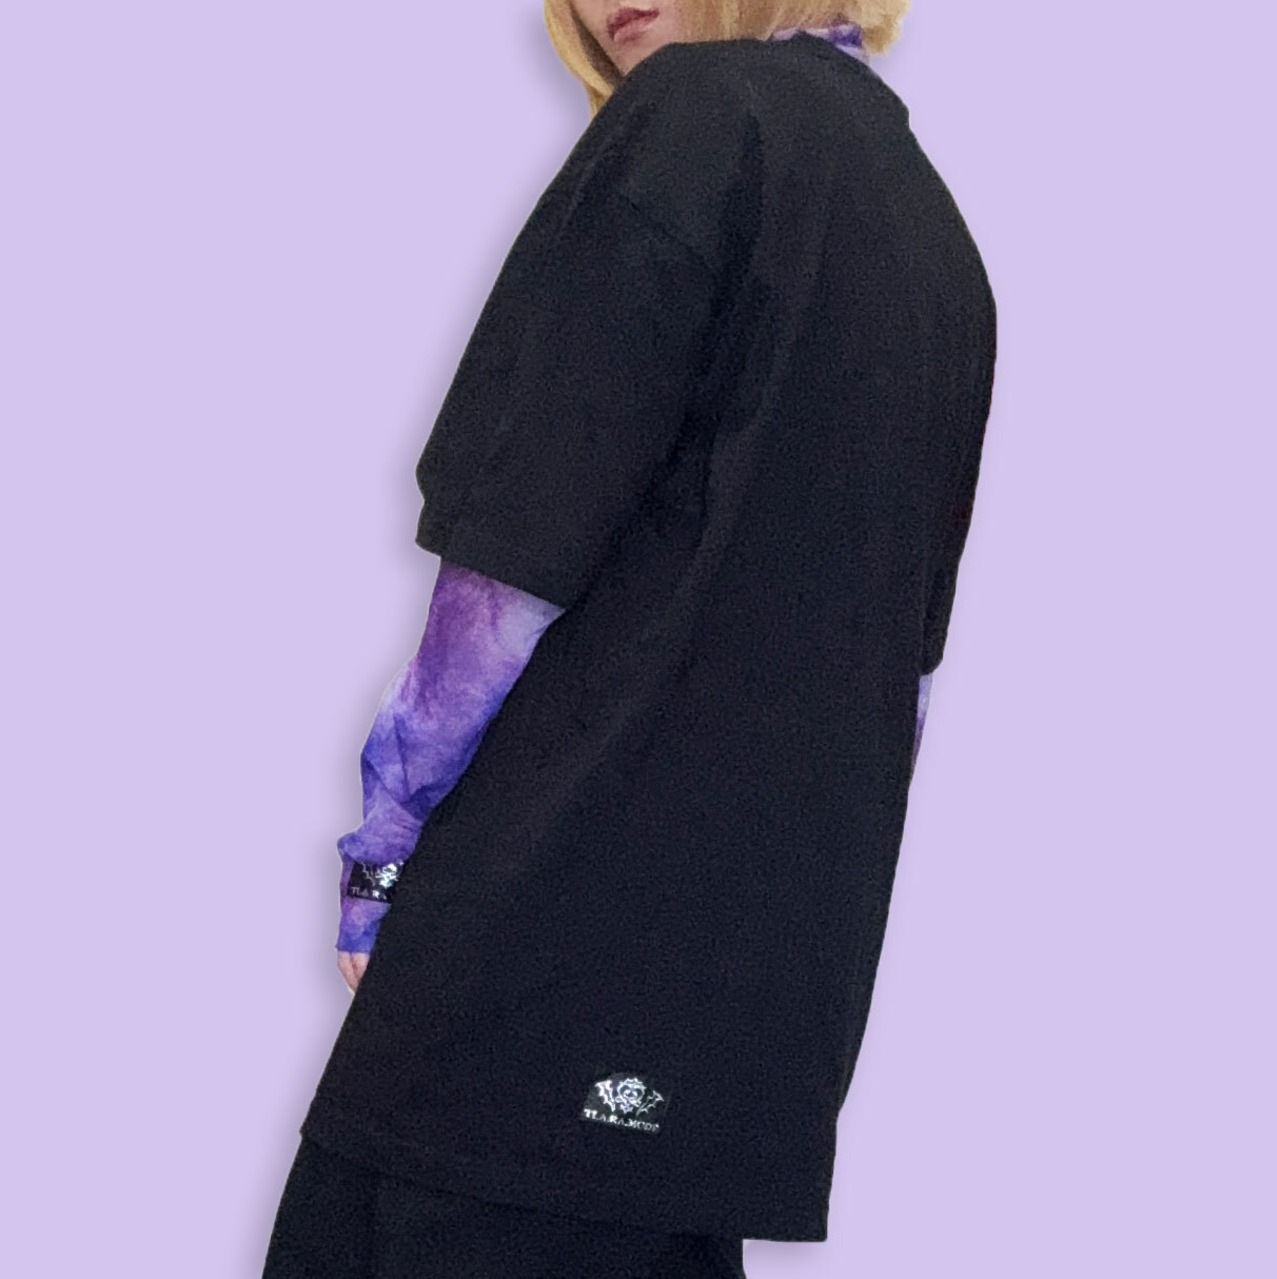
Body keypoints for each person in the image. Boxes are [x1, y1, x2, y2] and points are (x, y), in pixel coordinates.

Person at [263, 1, 996, 1274]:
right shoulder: (937, 237)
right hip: (741, 1020)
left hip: (533, 979)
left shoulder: (696, 119)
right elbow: (904, 682)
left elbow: (508, 568)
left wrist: (382, 848)